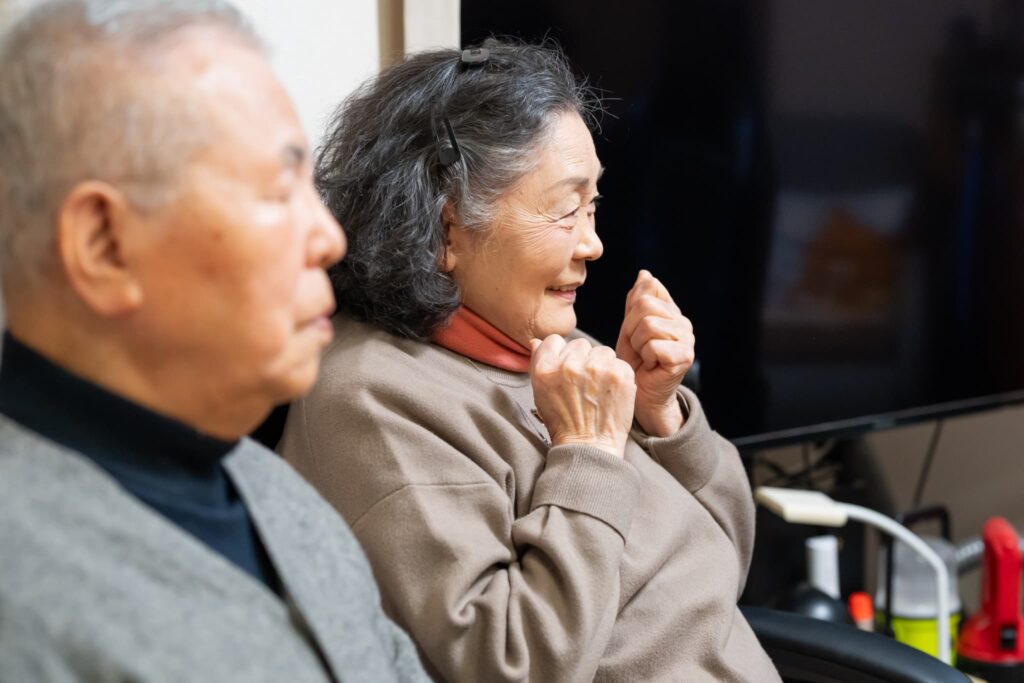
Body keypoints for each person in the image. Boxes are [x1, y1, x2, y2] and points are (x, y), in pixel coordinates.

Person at [280, 39, 781, 682]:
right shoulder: (372, 401)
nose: (593, 243)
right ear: (448, 231)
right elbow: (513, 666)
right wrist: (591, 455)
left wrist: (661, 419)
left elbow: (725, 563)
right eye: (566, 209)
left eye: (593, 206)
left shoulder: (561, 351)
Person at [0, 2, 427, 681]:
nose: (330, 238)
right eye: (279, 191)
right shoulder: (22, 598)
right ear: (105, 245)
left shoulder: (274, 491)